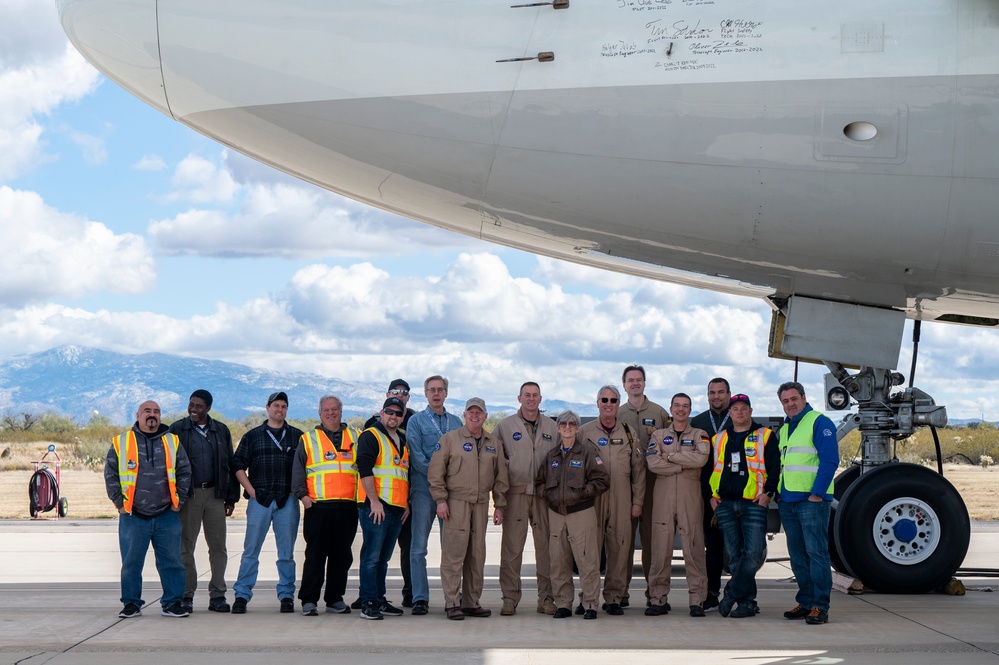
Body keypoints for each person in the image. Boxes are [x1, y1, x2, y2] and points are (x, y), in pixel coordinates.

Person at [105, 400, 191, 618]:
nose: (152, 415)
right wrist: (119, 504)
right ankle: (132, 603)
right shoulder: (121, 442)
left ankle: (172, 603)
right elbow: (110, 474)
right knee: (131, 563)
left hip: (166, 515)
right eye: (147, 411)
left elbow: (184, 472)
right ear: (138, 415)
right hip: (134, 515)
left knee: (172, 562)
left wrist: (178, 503)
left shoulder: (172, 441)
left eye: (156, 411)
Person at [429, 398, 509, 620]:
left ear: (485, 416)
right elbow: (436, 473)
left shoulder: (493, 443)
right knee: (454, 554)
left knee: (477, 555)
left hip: (482, 504)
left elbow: (501, 477)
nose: (475, 416)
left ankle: (471, 602)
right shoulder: (450, 440)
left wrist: (500, 506)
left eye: (479, 413)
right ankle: (452, 603)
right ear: (464, 415)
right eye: (471, 412)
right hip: (456, 503)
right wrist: (440, 500)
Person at [231, 391, 304, 614]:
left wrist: (295, 492)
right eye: (276, 406)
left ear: (286, 410)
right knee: (251, 550)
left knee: (286, 553)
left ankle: (286, 595)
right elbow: (237, 466)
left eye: (283, 406)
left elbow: (305, 468)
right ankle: (242, 595)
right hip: (260, 501)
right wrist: (251, 491)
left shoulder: (297, 436)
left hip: (286, 501)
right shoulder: (253, 436)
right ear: (267, 408)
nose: (279, 410)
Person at [708, 394, 780, 618]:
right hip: (725, 504)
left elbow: (775, 468)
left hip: (754, 503)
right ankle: (747, 603)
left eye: (743, 408)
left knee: (754, 553)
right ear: (729, 413)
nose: (739, 412)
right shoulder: (718, 438)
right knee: (734, 556)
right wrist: (712, 495)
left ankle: (730, 595)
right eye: (735, 409)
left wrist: (768, 494)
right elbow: (712, 470)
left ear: (750, 411)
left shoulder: (765, 435)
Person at [493, 381, 559, 616]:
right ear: (519, 398)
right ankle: (509, 599)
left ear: (541, 399)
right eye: (527, 395)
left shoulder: (553, 427)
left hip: (544, 496)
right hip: (516, 495)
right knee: (511, 550)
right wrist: (499, 501)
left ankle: (547, 599)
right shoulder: (505, 426)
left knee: (546, 549)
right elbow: (497, 466)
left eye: (535, 395)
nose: (531, 399)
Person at [169, 389, 238, 614]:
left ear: (208, 408)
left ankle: (217, 595)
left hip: (215, 496)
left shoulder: (221, 430)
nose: (194, 409)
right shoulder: (177, 430)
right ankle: (186, 595)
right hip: (188, 497)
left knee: (218, 547)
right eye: (191, 404)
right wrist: (172, 498)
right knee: (185, 547)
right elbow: (168, 466)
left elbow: (230, 465)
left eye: (199, 406)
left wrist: (231, 498)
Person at [535, 410, 610, 620]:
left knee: (587, 561)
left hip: (581, 513)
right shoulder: (552, 456)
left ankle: (590, 604)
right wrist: (549, 495)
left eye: (571, 424)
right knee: (559, 562)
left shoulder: (587, 453)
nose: (567, 427)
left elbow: (602, 480)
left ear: (577, 428)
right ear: (558, 428)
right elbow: (539, 481)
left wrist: (581, 494)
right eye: (563, 424)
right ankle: (564, 604)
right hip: (556, 514)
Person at [578, 385, 645, 615]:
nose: (608, 404)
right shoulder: (584, 432)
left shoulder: (628, 433)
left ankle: (614, 597)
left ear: (619, 404)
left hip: (621, 497)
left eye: (613, 400)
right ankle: (587, 598)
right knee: (590, 550)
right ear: (597, 403)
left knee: (619, 547)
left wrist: (637, 502)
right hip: (592, 498)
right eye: (604, 399)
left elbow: (639, 470)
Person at [776, 381, 838, 625]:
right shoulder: (786, 428)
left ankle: (820, 606)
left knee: (816, 554)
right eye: (785, 401)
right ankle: (806, 601)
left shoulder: (819, 422)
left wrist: (817, 494)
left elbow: (830, 461)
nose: (790, 404)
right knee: (798, 555)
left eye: (793, 399)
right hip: (788, 500)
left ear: (803, 397)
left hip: (812, 501)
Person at [292, 395, 360, 616]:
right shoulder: (308, 438)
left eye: (335, 409)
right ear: (319, 413)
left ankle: (335, 599)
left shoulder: (356, 437)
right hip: (318, 507)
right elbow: (297, 472)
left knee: (342, 556)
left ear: (341, 411)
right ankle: (309, 600)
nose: (331, 413)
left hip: (348, 507)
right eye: (326, 410)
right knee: (315, 555)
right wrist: (303, 497)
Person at [645, 392, 710, 617]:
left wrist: (671, 457)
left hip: (689, 498)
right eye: (677, 406)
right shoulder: (659, 435)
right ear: (670, 409)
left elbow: (701, 459)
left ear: (690, 410)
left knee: (693, 547)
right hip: (663, 496)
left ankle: (697, 600)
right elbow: (653, 463)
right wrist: (683, 463)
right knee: (660, 550)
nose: (681, 409)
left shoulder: (700, 434)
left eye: (685, 406)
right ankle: (658, 599)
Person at [406, 375, 463, 616]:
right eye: (432, 390)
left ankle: (454, 596)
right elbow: (417, 457)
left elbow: (463, 456)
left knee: (451, 547)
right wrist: (439, 478)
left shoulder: (456, 421)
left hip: (451, 492)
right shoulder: (416, 422)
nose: (436, 393)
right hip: (423, 491)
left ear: (446, 393)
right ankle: (420, 598)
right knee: (418, 547)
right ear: (426, 394)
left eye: (440, 389)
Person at [617, 365, 669, 606]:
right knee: (622, 541)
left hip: (653, 485)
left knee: (652, 542)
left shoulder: (659, 413)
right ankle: (620, 593)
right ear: (624, 384)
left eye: (639, 380)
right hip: (624, 486)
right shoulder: (617, 413)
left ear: (645, 383)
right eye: (630, 380)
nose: (635, 383)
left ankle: (654, 594)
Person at [362, 379, 416, 608]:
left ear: (403, 417)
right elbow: (364, 470)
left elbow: (403, 475)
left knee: (383, 560)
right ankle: (368, 602)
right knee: (371, 558)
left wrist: (406, 504)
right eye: (389, 412)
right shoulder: (371, 435)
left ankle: (379, 598)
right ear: (381, 413)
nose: (393, 416)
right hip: (376, 507)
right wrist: (374, 502)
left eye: (398, 413)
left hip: (396, 509)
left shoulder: (402, 440)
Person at [689, 376, 732, 611]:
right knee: (713, 547)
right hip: (708, 495)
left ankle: (742, 595)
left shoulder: (739, 418)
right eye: (712, 393)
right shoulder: (698, 422)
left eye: (721, 392)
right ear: (707, 396)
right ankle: (712, 594)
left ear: (728, 394)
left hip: (735, 494)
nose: (716, 396)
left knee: (737, 549)